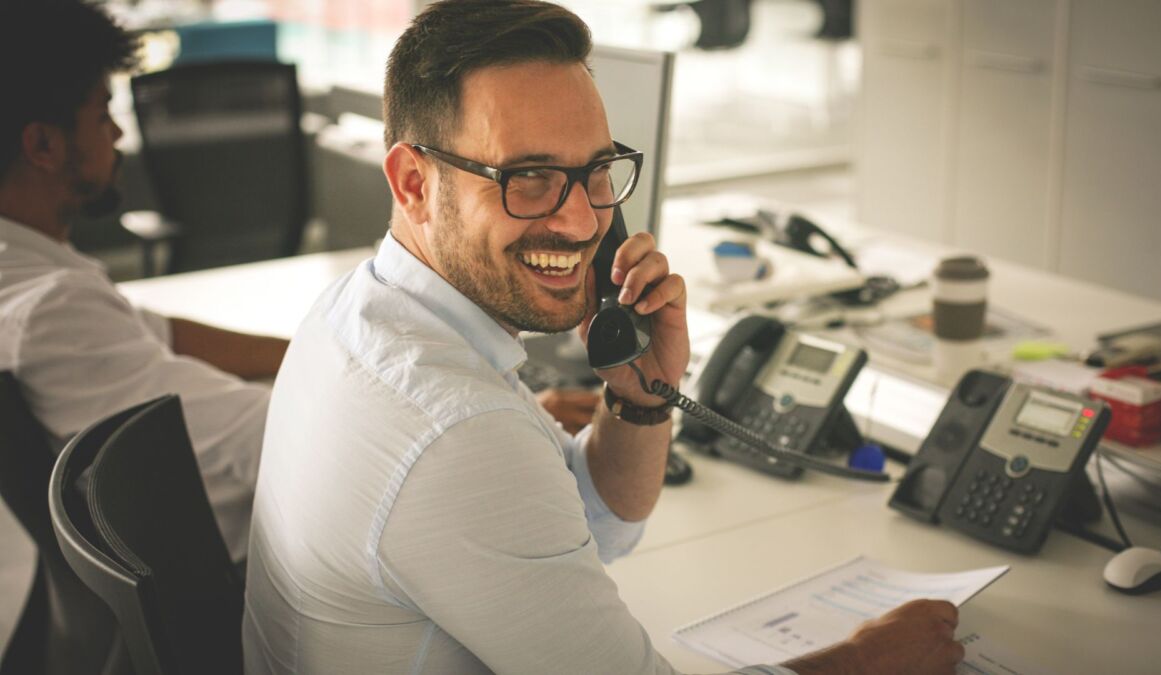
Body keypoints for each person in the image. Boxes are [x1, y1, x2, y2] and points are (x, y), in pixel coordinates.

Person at [242, 1, 964, 673]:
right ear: (413, 183)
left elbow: (599, 521)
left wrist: (639, 397)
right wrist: (865, 661)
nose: (585, 221)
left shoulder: (361, 314)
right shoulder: (454, 431)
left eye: (595, 173)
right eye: (529, 178)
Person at [0, 0, 288, 559]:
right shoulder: (52, 309)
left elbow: (158, 333)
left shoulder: (26, 267)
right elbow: (261, 438)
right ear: (42, 145)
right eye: (103, 114)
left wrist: (305, 353)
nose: (117, 136)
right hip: (225, 580)